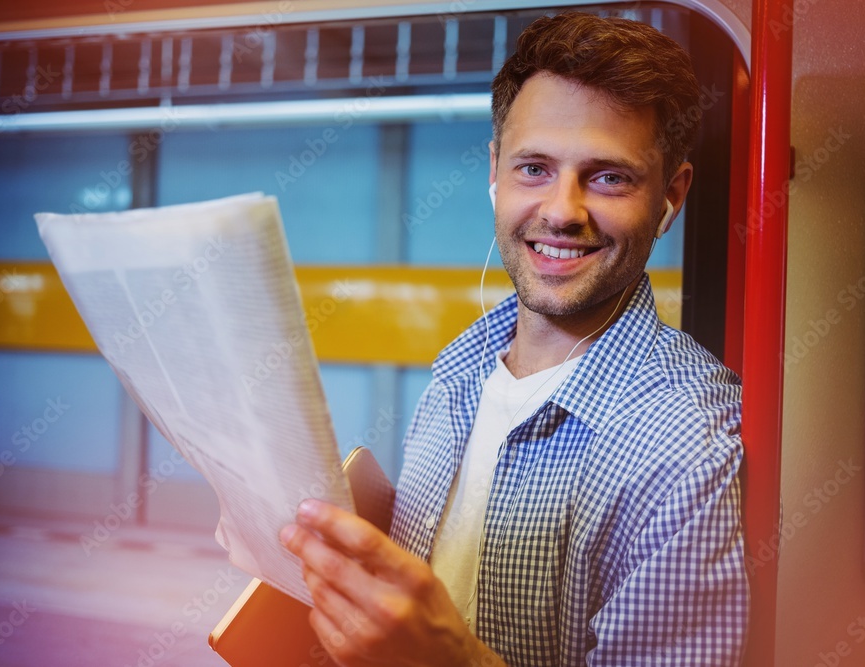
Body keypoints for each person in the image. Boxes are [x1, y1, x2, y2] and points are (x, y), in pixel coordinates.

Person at [280, 11, 749, 666]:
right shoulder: (456, 377)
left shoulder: (690, 453)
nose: (561, 210)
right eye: (534, 168)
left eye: (609, 176)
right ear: (495, 172)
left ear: (670, 197)